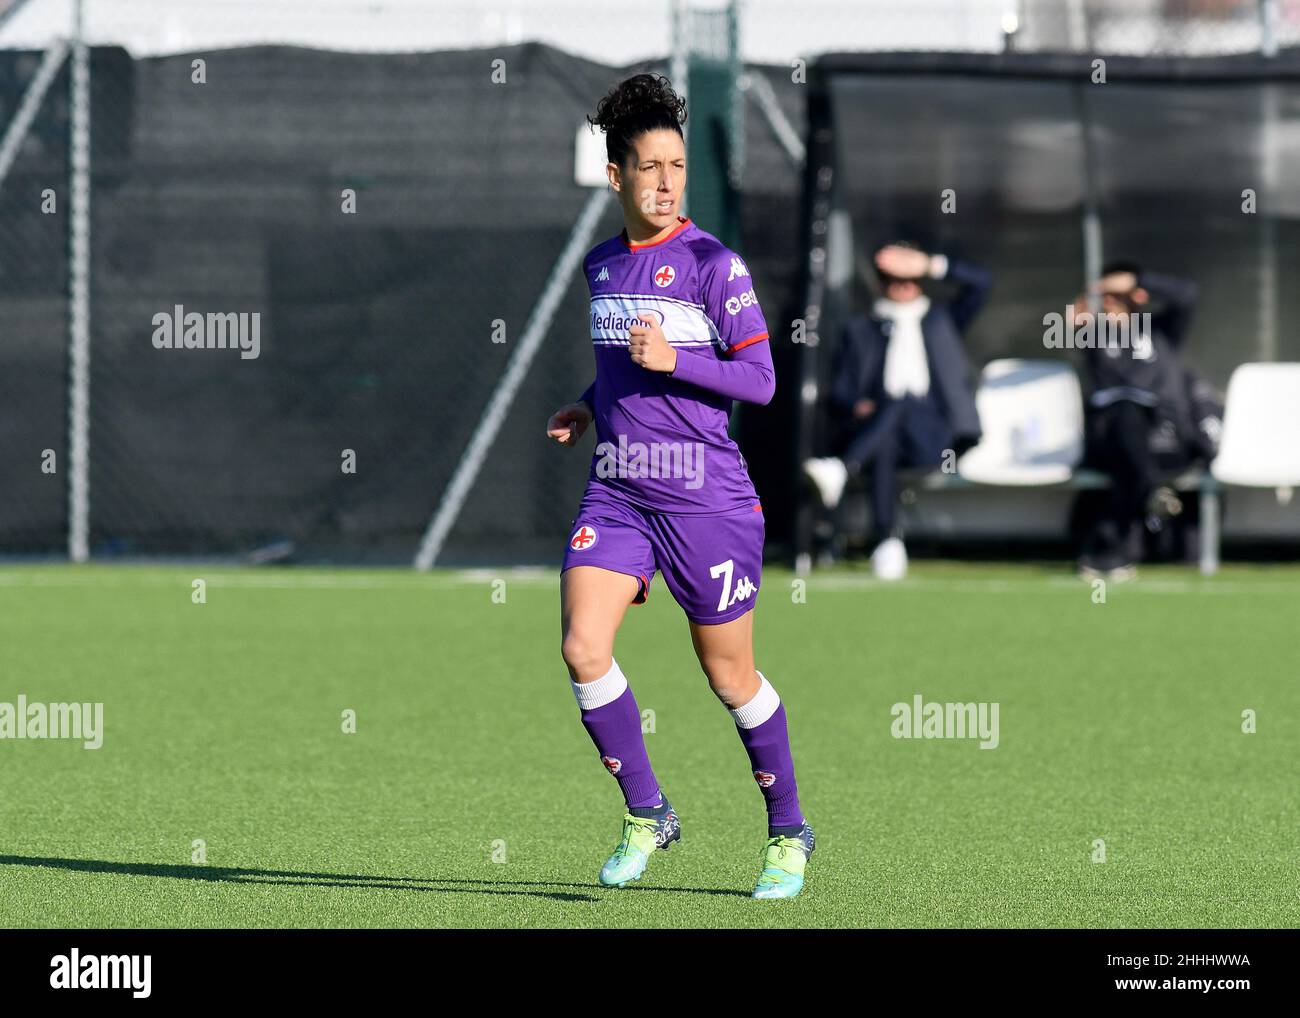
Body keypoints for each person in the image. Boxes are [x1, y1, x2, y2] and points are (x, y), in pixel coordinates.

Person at [545, 74, 814, 900]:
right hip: (621, 489)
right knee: (583, 647)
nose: (666, 183)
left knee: (729, 676)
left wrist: (680, 361)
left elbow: (762, 380)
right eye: (650, 167)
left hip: (707, 497)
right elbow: (627, 374)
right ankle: (647, 811)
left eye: (677, 167)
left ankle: (788, 832)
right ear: (615, 174)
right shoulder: (599, 267)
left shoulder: (712, 264)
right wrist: (591, 408)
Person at [802, 243, 987, 579]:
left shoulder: (942, 320)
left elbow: (981, 284)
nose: (902, 287)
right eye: (892, 280)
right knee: (885, 439)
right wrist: (857, 405)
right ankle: (887, 544)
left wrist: (931, 263)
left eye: (910, 279)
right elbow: (841, 392)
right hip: (880, 435)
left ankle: (842, 469)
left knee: (902, 402)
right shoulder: (860, 331)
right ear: (880, 284)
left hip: (936, 438)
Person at [1072, 262, 1216, 577]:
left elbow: (1187, 296)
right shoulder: (1095, 336)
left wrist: (1139, 279)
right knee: (1124, 411)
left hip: (1163, 440)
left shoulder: (1160, 330)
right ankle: (1150, 496)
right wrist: (1084, 305)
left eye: (1115, 296)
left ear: (1135, 297)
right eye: (1104, 298)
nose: (1109, 303)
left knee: (1131, 452)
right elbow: (1066, 329)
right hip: (1110, 440)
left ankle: (1114, 548)